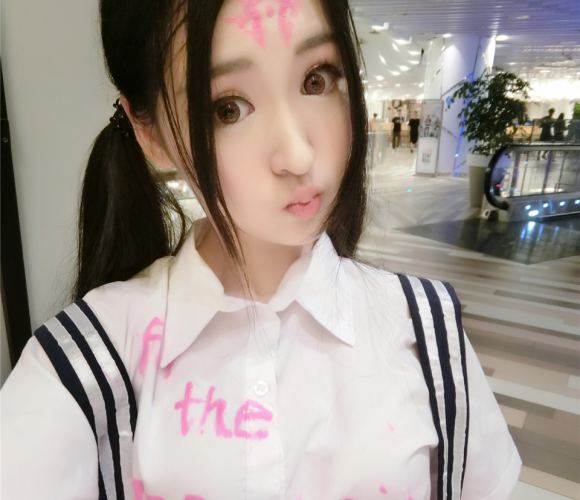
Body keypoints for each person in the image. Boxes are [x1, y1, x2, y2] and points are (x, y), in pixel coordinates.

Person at [0, 1, 521, 499]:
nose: (297, 154)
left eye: (317, 79)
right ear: (149, 132)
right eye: (228, 108)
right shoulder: (77, 370)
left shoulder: (425, 331)